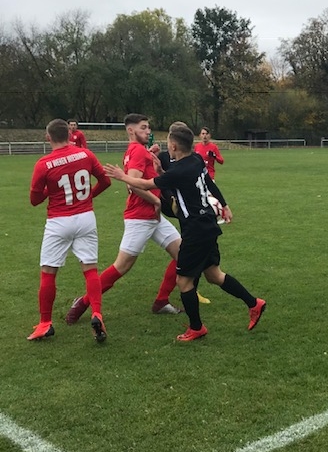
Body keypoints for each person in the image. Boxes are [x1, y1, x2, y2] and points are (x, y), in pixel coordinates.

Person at [104, 122, 266, 342]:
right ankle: (254, 303)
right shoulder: (196, 160)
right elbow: (203, 182)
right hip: (208, 225)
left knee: (184, 282)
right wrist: (224, 204)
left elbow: (145, 183)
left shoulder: (179, 170)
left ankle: (196, 328)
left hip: (196, 231)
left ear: (173, 146)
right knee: (214, 275)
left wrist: (121, 176)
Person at [65, 113, 203, 324]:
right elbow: (132, 184)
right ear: (131, 130)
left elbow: (136, 175)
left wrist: (150, 156)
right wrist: (156, 201)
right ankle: (83, 303)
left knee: (182, 254)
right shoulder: (137, 150)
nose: (148, 131)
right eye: (143, 127)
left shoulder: (136, 150)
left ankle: (161, 301)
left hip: (152, 217)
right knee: (121, 267)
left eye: (148, 127)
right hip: (140, 217)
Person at [28, 118, 111, 341]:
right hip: (86, 217)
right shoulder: (86, 155)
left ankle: (45, 323)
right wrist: (87, 197)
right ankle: (97, 313)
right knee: (90, 269)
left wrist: (49, 190)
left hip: (59, 221)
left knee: (48, 271)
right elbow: (105, 182)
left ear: (48, 137)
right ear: (69, 134)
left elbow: (34, 200)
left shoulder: (44, 164)